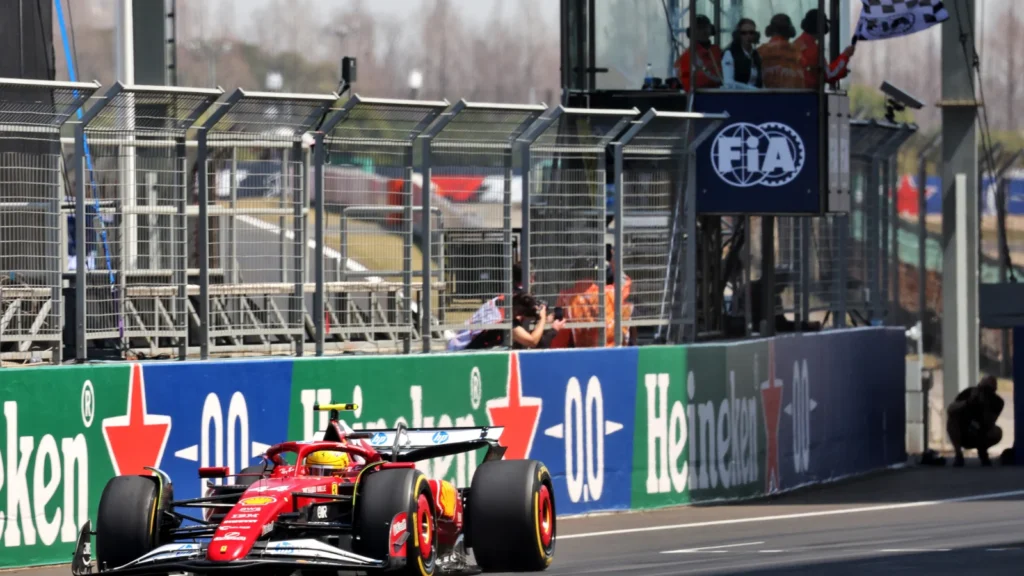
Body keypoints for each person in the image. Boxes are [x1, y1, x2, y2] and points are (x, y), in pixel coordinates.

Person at [947, 375, 1004, 467]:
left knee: (997, 432)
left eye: (988, 390)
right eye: (982, 389)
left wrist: (985, 406)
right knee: (952, 421)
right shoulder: (969, 393)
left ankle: (983, 452)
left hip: (981, 431)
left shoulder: (997, 402)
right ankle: (958, 455)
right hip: (963, 430)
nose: (984, 393)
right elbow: (951, 409)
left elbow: (990, 422)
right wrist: (968, 402)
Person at [794, 9, 855, 89]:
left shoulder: (797, 43)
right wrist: (846, 55)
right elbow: (830, 75)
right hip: (809, 96)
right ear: (820, 27)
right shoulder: (813, 49)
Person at [675, 15, 723, 92]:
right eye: (699, 28)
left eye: (705, 27)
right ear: (691, 32)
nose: (703, 31)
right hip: (699, 96)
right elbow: (686, 82)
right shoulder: (686, 57)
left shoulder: (719, 52)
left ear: (711, 30)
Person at [757, 14, 805, 89]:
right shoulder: (798, 51)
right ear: (790, 30)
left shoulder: (760, 51)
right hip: (795, 96)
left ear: (770, 29)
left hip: (768, 96)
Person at [721, 18, 763, 90]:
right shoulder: (730, 54)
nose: (748, 36)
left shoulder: (756, 55)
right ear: (738, 35)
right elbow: (729, 83)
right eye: (744, 33)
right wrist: (752, 90)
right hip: (737, 97)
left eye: (751, 33)